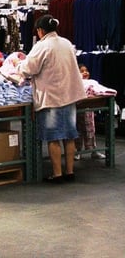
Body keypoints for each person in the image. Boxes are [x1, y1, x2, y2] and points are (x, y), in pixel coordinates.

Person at [16, 14, 86, 183]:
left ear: (40, 31)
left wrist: (17, 66)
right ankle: (69, 171)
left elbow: (29, 68)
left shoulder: (42, 46)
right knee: (69, 135)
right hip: (69, 95)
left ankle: (57, 174)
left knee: (53, 137)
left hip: (52, 97)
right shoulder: (66, 43)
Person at [75, 64, 106, 160]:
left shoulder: (91, 83)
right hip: (78, 111)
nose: (85, 73)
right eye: (82, 71)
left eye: (86, 70)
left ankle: (93, 150)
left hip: (89, 111)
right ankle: (77, 151)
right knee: (78, 132)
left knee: (90, 131)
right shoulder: (76, 83)